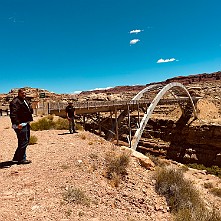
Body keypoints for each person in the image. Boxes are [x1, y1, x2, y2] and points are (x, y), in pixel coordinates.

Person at [9, 88, 33, 164]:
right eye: (22, 93)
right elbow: (13, 114)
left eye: (25, 93)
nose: (24, 94)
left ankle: (16, 157)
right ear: (19, 93)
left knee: (24, 140)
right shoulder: (15, 102)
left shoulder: (24, 100)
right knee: (24, 141)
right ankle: (22, 159)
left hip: (25, 123)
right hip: (20, 124)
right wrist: (17, 123)